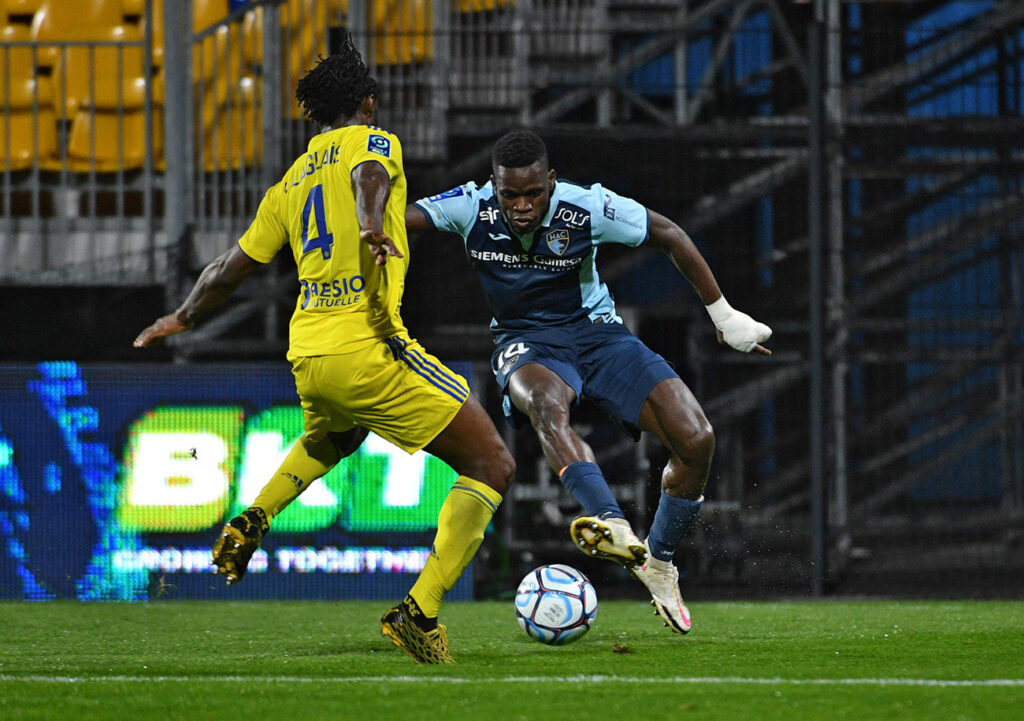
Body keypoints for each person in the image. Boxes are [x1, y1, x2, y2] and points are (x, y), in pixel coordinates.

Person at [133, 38, 515, 664]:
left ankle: (254, 516)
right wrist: (370, 222)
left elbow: (228, 269)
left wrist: (182, 315)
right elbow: (370, 177)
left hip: (309, 352)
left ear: (314, 113)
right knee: (492, 463)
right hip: (369, 343)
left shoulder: (289, 183)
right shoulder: (374, 141)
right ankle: (418, 613)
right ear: (367, 101)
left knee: (336, 436)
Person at [404, 129, 771, 634]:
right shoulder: (471, 207)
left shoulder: (587, 208)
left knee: (697, 440)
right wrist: (369, 228)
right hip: (527, 342)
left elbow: (669, 233)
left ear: (551, 182)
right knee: (546, 407)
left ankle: (658, 563)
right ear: (495, 186)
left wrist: (724, 316)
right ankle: (612, 521)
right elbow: (400, 220)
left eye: (534, 193)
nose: (523, 206)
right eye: (510, 195)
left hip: (598, 337)